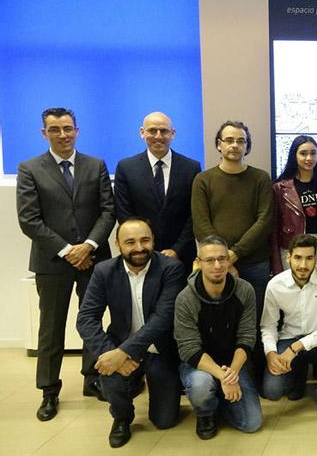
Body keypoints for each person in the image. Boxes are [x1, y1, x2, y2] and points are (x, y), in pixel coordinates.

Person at [16, 107, 116, 421]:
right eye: (55, 130)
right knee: (51, 328)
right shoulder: (30, 168)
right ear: (44, 133)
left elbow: (108, 211)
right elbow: (29, 220)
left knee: (93, 322)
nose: (63, 135)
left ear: (77, 130)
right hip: (52, 263)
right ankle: (49, 392)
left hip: (94, 259)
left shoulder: (95, 165)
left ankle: (92, 378)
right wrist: (66, 250)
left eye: (68, 129)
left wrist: (87, 246)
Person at [76, 218, 187, 447]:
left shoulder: (171, 269)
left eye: (145, 240)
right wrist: (112, 353)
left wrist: (124, 351)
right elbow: (85, 319)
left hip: (160, 349)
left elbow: (163, 319)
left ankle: (143, 382)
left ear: (153, 240)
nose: (138, 248)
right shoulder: (104, 271)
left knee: (164, 421)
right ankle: (122, 417)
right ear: (118, 244)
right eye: (130, 242)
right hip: (119, 346)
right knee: (109, 373)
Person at [191, 120, 273, 381]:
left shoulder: (260, 178)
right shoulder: (203, 180)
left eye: (241, 141)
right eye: (229, 140)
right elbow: (201, 223)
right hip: (215, 264)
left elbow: (264, 220)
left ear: (247, 146)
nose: (235, 145)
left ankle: (255, 376)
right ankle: (220, 375)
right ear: (219, 144)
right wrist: (222, 260)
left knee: (256, 322)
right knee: (220, 323)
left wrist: (232, 255)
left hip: (255, 264)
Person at [174, 235, 262, 439]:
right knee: (201, 386)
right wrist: (224, 377)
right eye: (210, 260)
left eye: (222, 259)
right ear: (198, 263)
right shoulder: (185, 298)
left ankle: (220, 397)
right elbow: (189, 349)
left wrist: (231, 372)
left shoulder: (244, 290)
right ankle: (206, 412)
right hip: (200, 365)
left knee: (252, 423)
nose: (217, 265)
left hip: (234, 363)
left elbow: (247, 337)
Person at [261, 234, 317, 420]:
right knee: (272, 392)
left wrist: (296, 347)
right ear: (288, 257)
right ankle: (297, 377)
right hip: (289, 338)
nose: (303, 265)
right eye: (298, 258)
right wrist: (270, 353)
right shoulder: (275, 285)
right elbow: (268, 326)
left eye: (309, 258)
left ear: (316, 258)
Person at [114, 112, 202, 265]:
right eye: (152, 131)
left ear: (172, 134)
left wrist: (176, 249)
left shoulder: (191, 167)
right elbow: (124, 213)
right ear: (142, 132)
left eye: (164, 131)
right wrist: (145, 246)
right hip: (140, 254)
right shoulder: (126, 168)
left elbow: (194, 214)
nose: (158, 136)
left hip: (182, 256)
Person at [270, 135, 317, 273]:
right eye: (303, 153)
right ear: (294, 156)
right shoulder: (279, 188)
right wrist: (276, 264)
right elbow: (274, 229)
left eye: (313, 153)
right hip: (292, 247)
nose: (309, 158)